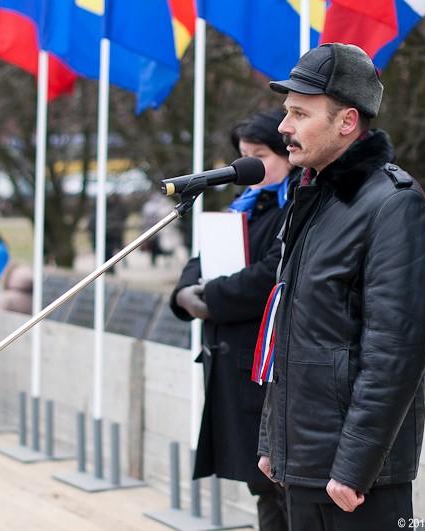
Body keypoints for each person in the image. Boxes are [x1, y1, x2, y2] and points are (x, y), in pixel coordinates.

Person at [255, 43, 425, 530]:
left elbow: (394, 352)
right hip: (304, 462)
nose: (284, 127)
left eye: (300, 112)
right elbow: (289, 329)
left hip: (355, 481)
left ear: (346, 121)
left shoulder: (394, 205)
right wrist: (273, 441)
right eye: (285, 111)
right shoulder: (312, 192)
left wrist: (355, 467)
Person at [170, 109, 295, 531]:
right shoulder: (243, 204)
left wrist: (212, 299)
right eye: (244, 155)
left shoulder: (294, 206)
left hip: (265, 368)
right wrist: (185, 293)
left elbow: (271, 275)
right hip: (228, 361)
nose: (251, 165)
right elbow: (201, 260)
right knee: (258, 483)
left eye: (260, 155)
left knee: (282, 481)